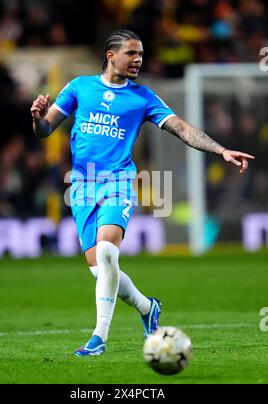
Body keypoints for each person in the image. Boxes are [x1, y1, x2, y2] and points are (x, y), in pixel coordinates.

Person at [30, 29, 255, 356]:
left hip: (118, 182)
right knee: (101, 271)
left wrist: (220, 151)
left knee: (108, 254)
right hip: (81, 186)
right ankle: (148, 307)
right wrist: (37, 119)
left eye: (140, 55)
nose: (137, 60)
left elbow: (182, 128)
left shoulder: (143, 97)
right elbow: (45, 130)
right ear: (111, 55)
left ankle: (98, 338)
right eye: (131, 54)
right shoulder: (79, 87)